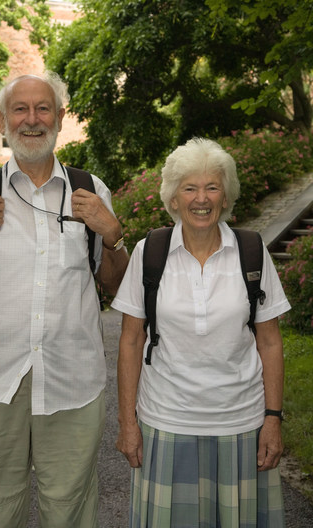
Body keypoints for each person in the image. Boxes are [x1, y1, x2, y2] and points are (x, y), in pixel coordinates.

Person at [0, 72, 129, 528]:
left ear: (60, 118)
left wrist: (113, 236)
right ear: (5, 120)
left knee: (69, 511)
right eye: (21, 110)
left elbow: (113, 284)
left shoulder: (91, 190)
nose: (32, 119)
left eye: (43, 108)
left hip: (73, 380)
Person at [112, 137, 290, 528]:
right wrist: (128, 424)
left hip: (241, 424)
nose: (201, 198)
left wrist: (272, 419)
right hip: (166, 422)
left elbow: (271, 342)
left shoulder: (252, 252)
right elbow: (130, 340)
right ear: (173, 198)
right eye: (189, 187)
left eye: (212, 187)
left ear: (226, 196)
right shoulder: (149, 253)